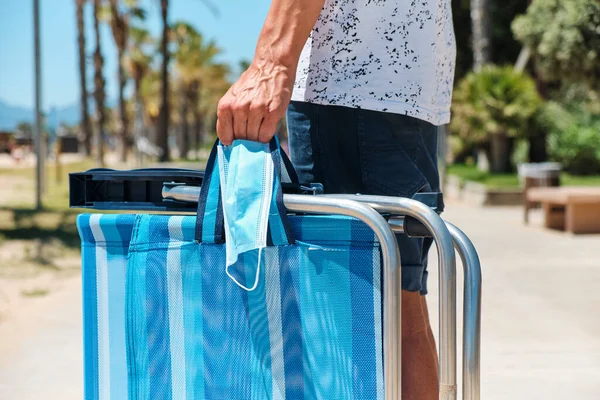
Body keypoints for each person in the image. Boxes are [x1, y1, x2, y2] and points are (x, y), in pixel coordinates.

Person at [216, 1, 456, 398]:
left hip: (349, 84)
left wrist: (271, 62)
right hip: (402, 82)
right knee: (400, 305)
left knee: (357, 307)